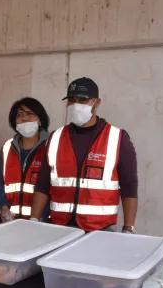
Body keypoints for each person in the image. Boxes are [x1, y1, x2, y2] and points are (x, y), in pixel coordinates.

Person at [30, 78, 138, 233]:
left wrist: (128, 227)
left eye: (82, 100)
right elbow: (43, 184)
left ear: (97, 102)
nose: (76, 105)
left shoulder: (117, 138)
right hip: (59, 227)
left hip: (100, 229)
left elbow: (129, 186)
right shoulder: (56, 137)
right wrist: (34, 219)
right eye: (71, 101)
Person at [0, 98, 50, 222]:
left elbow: (55, 187)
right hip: (9, 222)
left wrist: (38, 218)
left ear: (40, 120)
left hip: (41, 222)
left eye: (30, 114)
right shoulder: (7, 147)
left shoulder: (51, 146)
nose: (24, 118)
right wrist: (4, 208)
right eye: (20, 115)